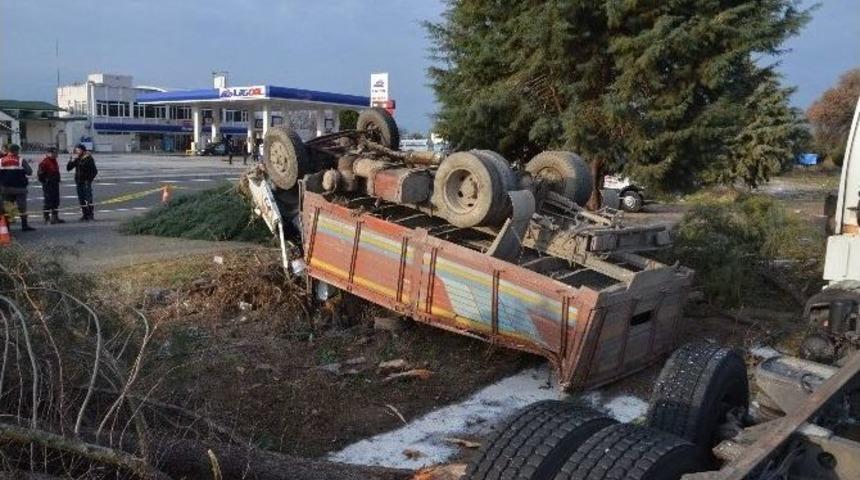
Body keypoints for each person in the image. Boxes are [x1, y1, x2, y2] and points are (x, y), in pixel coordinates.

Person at [0, 144, 36, 231]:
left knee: (7, 208)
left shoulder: (1, 160)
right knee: (22, 207)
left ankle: (7, 227)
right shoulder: (20, 160)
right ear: (16, 151)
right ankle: (24, 225)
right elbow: (29, 172)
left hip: (6, 188)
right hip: (20, 188)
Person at [67, 144, 98, 221]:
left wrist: (89, 179)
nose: (77, 151)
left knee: (88, 198)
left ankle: (90, 215)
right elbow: (69, 168)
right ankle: (85, 215)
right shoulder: (78, 159)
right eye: (76, 150)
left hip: (86, 182)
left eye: (78, 150)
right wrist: (71, 159)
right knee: (81, 199)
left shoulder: (88, 159)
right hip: (79, 182)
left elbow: (94, 171)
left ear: (83, 150)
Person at [37, 147, 65, 224]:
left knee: (55, 201)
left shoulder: (54, 161)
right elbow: (40, 174)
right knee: (48, 201)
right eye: (54, 153)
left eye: (56, 153)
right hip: (48, 184)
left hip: (55, 183)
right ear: (49, 153)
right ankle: (47, 218)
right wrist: (46, 181)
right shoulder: (45, 162)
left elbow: (56, 171)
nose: (56, 154)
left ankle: (55, 217)